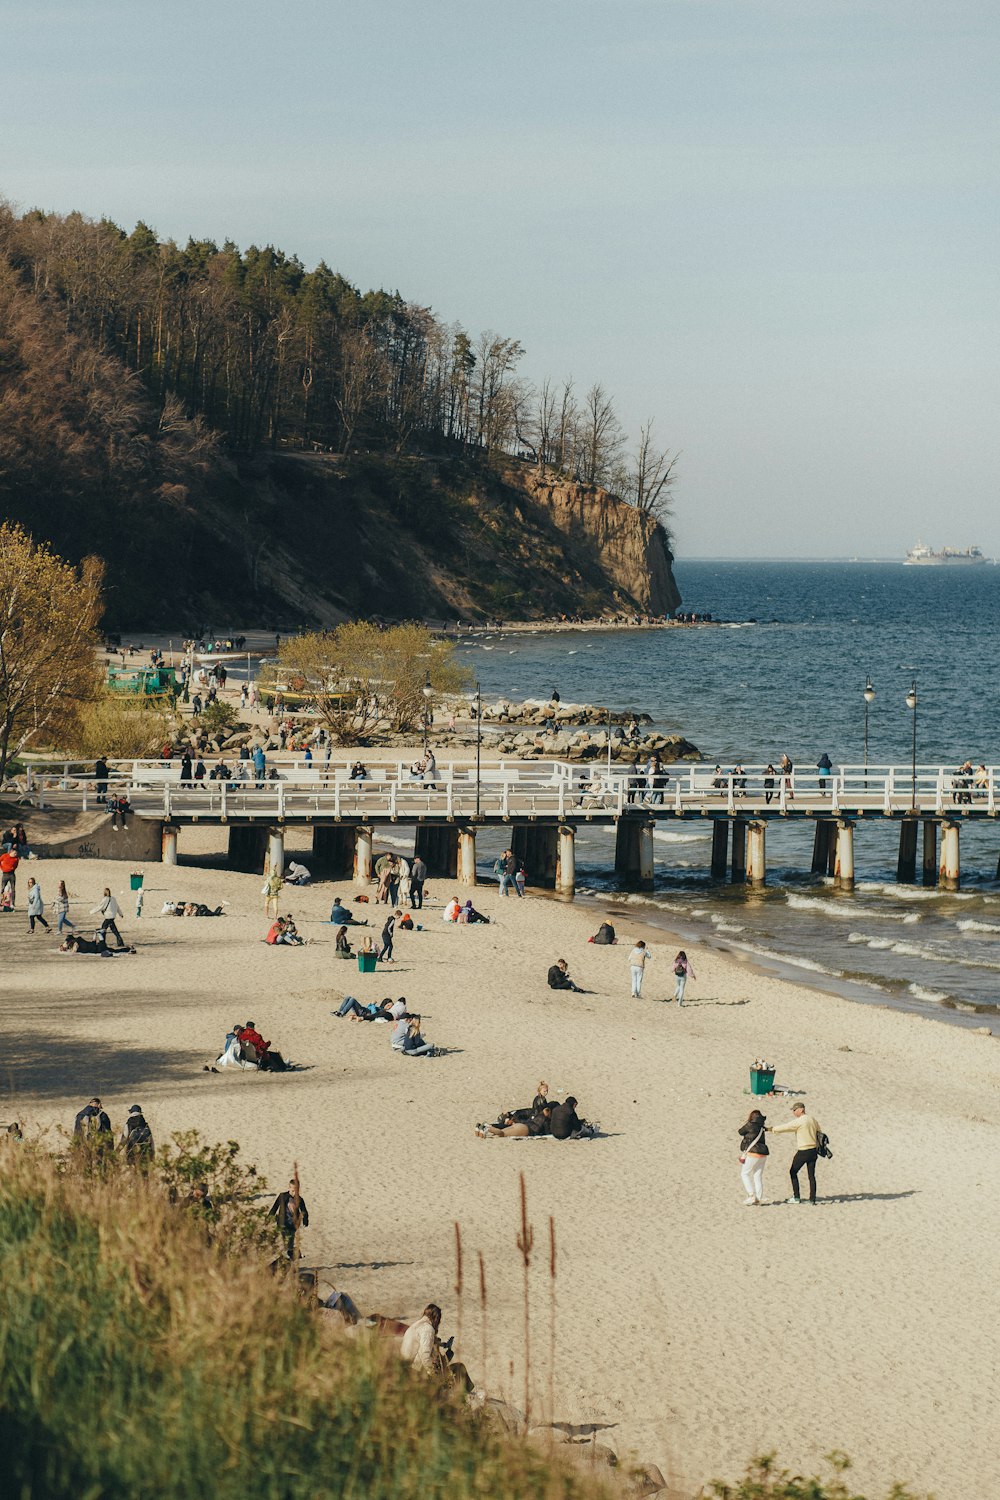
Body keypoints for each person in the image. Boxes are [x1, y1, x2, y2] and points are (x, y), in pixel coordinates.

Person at [769, 1102, 824, 1204]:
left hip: (803, 1151)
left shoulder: (800, 1121)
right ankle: (812, 1199)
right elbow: (820, 1132)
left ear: (801, 1109)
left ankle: (796, 1197)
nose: (793, 1113)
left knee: (792, 1172)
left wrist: (771, 1129)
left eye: (794, 1110)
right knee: (811, 1175)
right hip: (813, 1151)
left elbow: (786, 1127)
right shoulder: (812, 1119)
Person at [268, 1180, 309, 1259]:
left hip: (293, 1224)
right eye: (293, 1190)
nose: (294, 1193)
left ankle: (291, 1255)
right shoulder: (282, 1196)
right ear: (289, 1188)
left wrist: (305, 1220)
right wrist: (269, 1217)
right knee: (286, 1240)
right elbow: (275, 1207)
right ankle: (290, 1254)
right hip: (282, 1223)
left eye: (296, 1191)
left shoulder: (299, 1199)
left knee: (290, 1241)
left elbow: (304, 1210)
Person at [738, 1109, 769, 1206]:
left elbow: (740, 1131)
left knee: (744, 1173)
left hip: (753, 1153)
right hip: (763, 1154)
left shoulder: (750, 1125)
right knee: (757, 1176)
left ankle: (751, 1195)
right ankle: (759, 1198)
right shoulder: (761, 1127)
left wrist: (747, 1122)